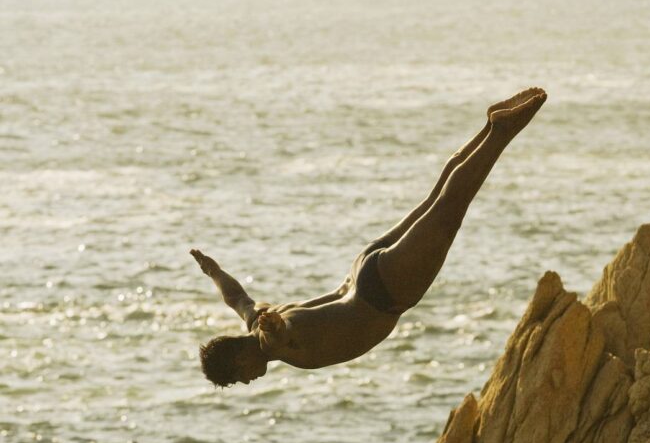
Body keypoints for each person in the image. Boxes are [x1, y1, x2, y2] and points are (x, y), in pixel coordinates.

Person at [191, 88, 546, 386]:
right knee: (435, 198)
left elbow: (280, 332)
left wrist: (275, 326)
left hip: (384, 292)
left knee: (449, 211)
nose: (248, 381)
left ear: (238, 358)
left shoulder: (271, 342)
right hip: (362, 268)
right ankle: (487, 127)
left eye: (239, 377)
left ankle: (500, 133)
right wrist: (212, 270)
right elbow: (235, 295)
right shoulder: (253, 317)